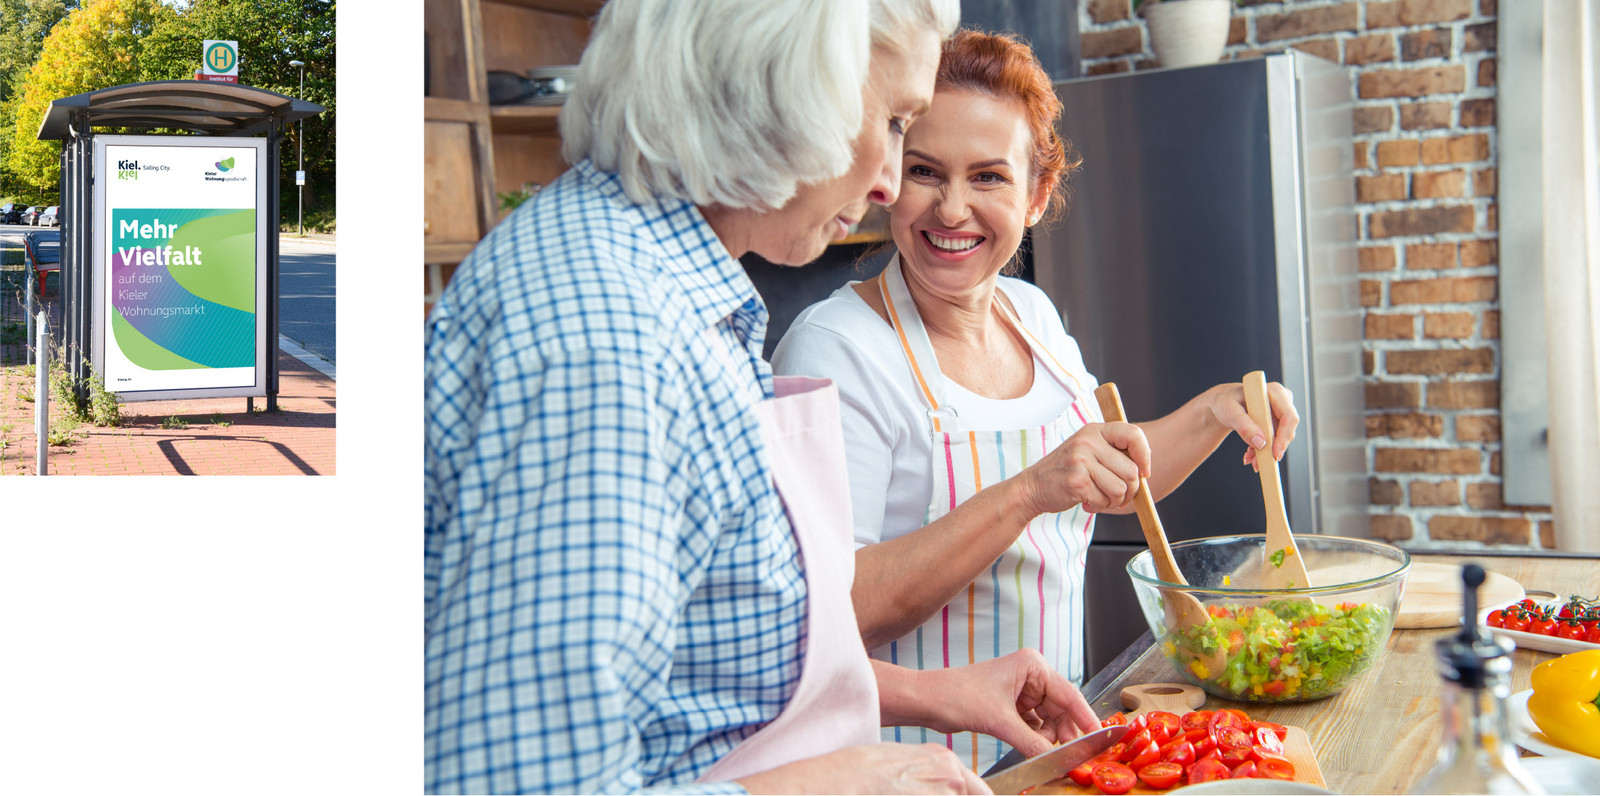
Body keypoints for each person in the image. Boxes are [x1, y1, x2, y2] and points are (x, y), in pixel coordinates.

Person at [424, 3, 1100, 793]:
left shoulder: (677, 290)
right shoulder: (609, 341)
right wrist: (827, 784)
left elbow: (693, 661)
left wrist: (934, 693)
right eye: (889, 122)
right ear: (774, 92)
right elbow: (525, 781)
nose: (888, 184)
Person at [771, 29, 1302, 772]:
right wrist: (1028, 491)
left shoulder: (1032, 315)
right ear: (888, 177)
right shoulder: (834, 349)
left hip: (1049, 757)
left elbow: (1112, 480)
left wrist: (1213, 412)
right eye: (925, 171)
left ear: (1036, 196)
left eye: (988, 177)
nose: (951, 208)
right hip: (910, 773)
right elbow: (832, 611)